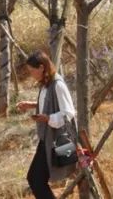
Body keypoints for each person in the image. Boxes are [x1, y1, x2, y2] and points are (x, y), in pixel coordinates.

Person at [16, 50, 77, 198]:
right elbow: (50, 103)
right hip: (46, 139)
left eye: (32, 70)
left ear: (42, 67)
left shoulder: (57, 84)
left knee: (36, 179)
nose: (31, 74)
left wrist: (48, 118)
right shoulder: (46, 84)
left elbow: (68, 113)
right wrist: (31, 105)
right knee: (35, 179)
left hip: (56, 140)